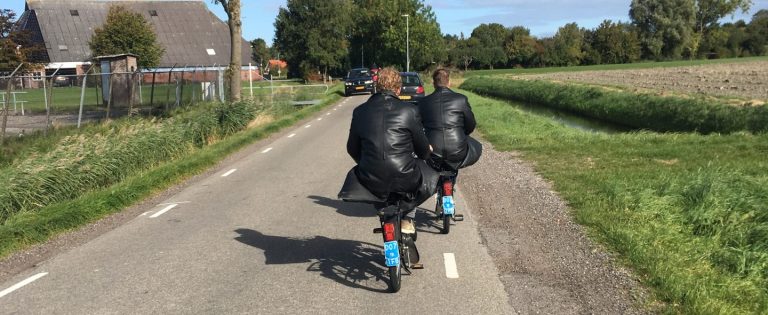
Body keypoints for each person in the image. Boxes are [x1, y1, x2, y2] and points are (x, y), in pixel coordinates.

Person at [339, 67, 436, 234]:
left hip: (372, 178)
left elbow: (352, 148)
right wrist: (426, 153)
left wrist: (367, 163)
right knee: (426, 175)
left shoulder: (360, 111)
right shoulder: (409, 110)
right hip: (405, 176)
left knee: (378, 193)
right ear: (399, 89)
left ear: (377, 86)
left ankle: (384, 215)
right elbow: (422, 150)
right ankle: (408, 219)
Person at [418, 69, 481, 172]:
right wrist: (462, 133)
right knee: (477, 146)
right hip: (457, 151)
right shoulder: (461, 99)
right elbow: (471, 125)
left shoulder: (423, 102)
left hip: (432, 151)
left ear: (434, 83)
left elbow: (418, 127)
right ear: (449, 82)